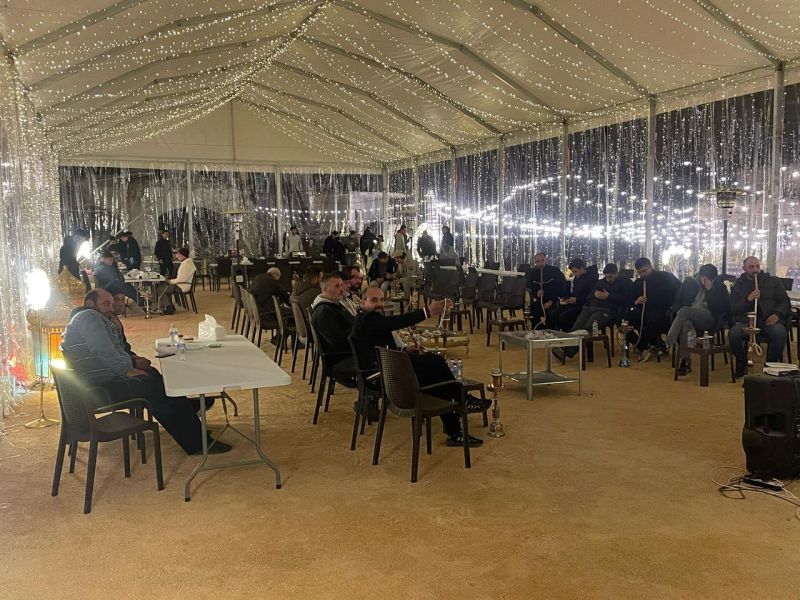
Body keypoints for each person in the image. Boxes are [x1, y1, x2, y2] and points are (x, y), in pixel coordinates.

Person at [61, 289, 230, 455]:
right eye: (106, 304)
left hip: (97, 382)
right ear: (90, 303)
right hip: (98, 390)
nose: (111, 308)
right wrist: (126, 370)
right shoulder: (88, 316)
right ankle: (197, 442)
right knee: (149, 386)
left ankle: (185, 409)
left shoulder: (87, 318)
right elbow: (104, 350)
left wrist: (132, 361)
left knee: (151, 374)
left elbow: (114, 349)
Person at [351, 286, 486, 447]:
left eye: (381, 300)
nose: (379, 304)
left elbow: (379, 345)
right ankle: (461, 404)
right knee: (435, 365)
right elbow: (396, 322)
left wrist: (404, 350)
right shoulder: (367, 319)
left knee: (435, 372)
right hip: (381, 377)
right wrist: (427, 311)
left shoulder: (367, 318)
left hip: (387, 369)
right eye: (374, 300)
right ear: (363, 301)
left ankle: (456, 425)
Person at [555, 263, 634, 360]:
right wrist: (595, 295)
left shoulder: (625, 283)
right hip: (590, 308)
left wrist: (609, 296)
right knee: (576, 328)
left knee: (586, 329)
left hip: (607, 310)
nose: (608, 279)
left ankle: (568, 353)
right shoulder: (600, 282)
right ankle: (565, 348)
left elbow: (627, 300)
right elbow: (589, 297)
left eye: (611, 277)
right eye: (606, 277)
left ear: (616, 274)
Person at [729, 256, 790, 377]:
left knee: (779, 333)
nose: (755, 270)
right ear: (744, 269)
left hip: (769, 321)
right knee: (733, 334)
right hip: (748, 321)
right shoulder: (738, 285)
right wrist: (748, 299)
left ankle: (769, 368)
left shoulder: (772, 281)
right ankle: (742, 364)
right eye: (751, 267)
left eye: (757, 266)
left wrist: (777, 314)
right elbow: (734, 308)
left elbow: (785, 301)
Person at [666, 264, 731, 375]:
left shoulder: (719, 286)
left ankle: (670, 340)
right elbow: (677, 303)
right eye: (702, 278)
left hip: (709, 317)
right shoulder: (690, 283)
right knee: (685, 324)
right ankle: (686, 361)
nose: (704, 280)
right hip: (690, 316)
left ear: (713, 278)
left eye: (708, 278)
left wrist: (710, 290)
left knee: (685, 310)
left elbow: (722, 308)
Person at [627, 257, 681, 362]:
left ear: (650, 267)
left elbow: (679, 293)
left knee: (652, 320)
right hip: (643, 310)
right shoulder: (638, 282)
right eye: (640, 272)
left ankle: (649, 346)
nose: (642, 274)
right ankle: (643, 346)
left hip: (663, 310)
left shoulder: (666, 277)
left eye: (644, 271)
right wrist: (636, 301)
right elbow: (630, 298)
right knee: (624, 322)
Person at [311, 272, 357, 382]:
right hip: (341, 359)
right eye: (337, 286)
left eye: (341, 285)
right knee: (386, 361)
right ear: (325, 289)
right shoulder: (324, 312)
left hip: (349, 353)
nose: (342, 289)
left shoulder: (334, 304)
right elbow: (337, 340)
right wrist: (360, 331)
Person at [558, 258, 598, 331]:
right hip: (576, 303)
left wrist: (577, 300)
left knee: (565, 316)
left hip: (585, 306)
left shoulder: (592, 279)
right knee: (555, 313)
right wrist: (566, 298)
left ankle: (570, 334)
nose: (574, 274)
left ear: (582, 268)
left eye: (575, 271)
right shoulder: (577, 278)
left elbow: (592, 296)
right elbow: (575, 292)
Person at [526, 252, 565, 328]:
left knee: (551, 313)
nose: (540, 263)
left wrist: (551, 301)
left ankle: (550, 332)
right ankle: (538, 331)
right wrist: (537, 294)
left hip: (554, 300)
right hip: (540, 300)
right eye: (538, 261)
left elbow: (562, 288)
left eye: (542, 261)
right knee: (534, 312)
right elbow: (532, 290)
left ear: (546, 260)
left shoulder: (555, 271)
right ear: (535, 262)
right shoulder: (533, 274)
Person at [156, 247, 195, 315]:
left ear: (183, 255)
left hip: (182, 285)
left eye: (179, 254)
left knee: (160, 288)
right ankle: (169, 306)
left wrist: (170, 281)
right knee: (164, 287)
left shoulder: (186, 264)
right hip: (181, 284)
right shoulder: (186, 263)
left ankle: (168, 308)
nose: (177, 256)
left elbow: (182, 279)